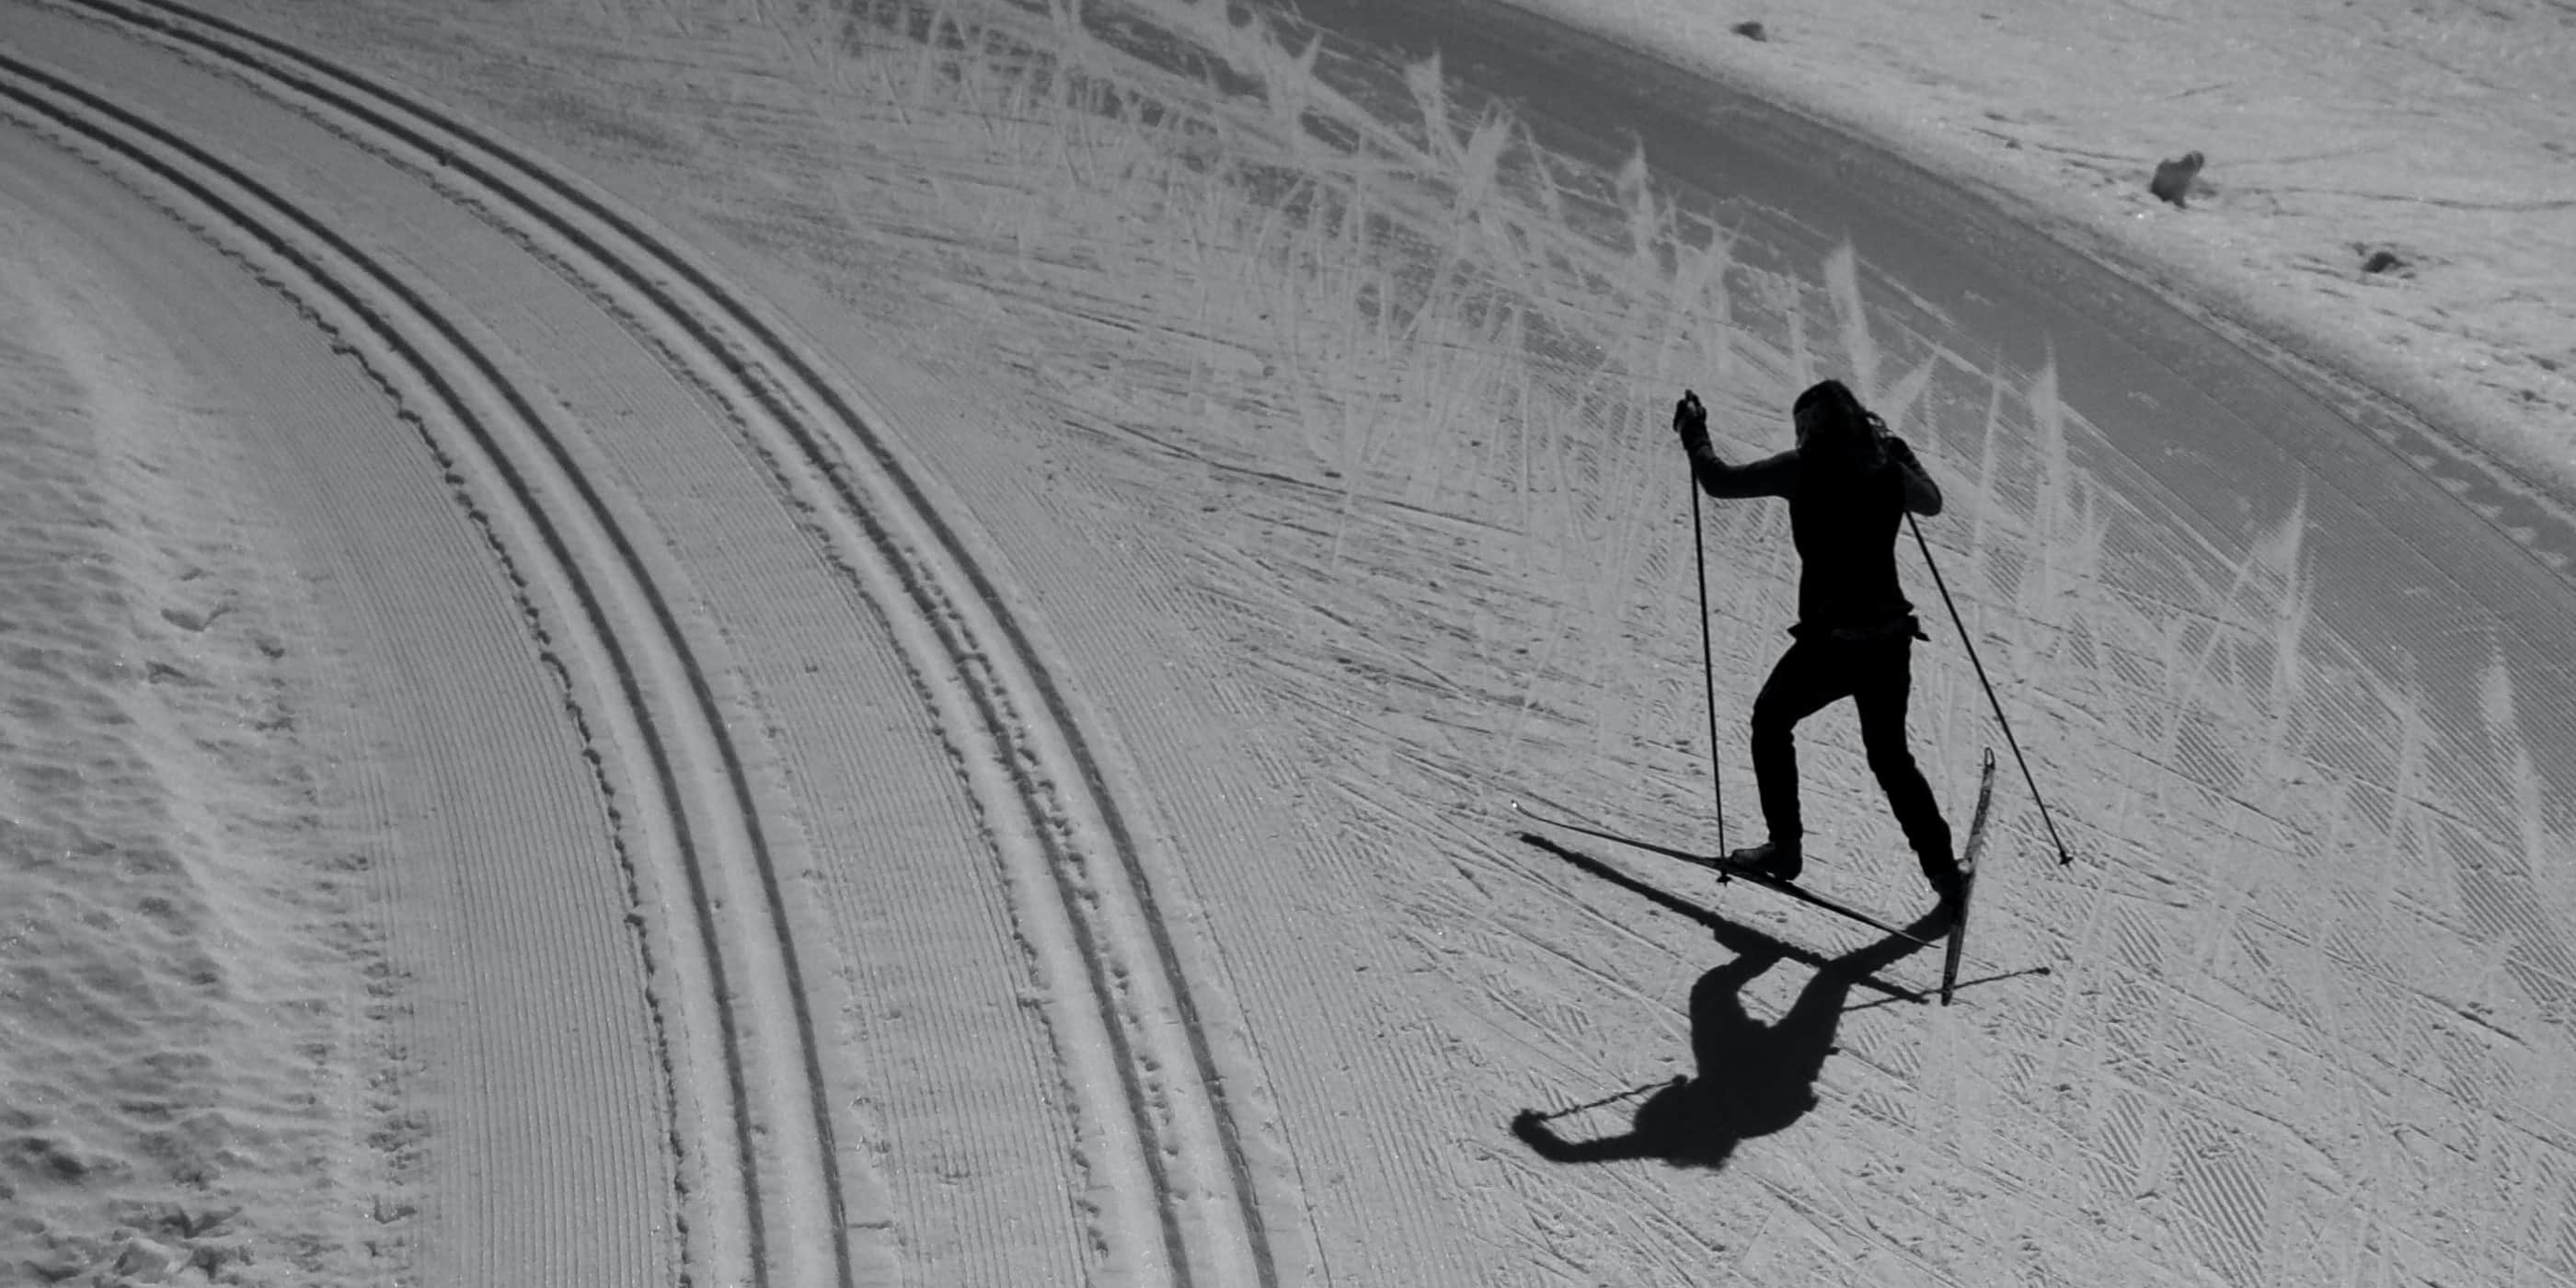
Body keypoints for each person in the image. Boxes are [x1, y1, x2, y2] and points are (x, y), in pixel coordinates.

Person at [1672, 379, 1962, 919]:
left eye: (1801, 424)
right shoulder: (1885, 469)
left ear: (1809, 426)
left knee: (1771, 718)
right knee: (1890, 758)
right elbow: (1933, 504)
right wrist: (1902, 454)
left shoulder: (1801, 468)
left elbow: (1717, 482)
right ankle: (1945, 875)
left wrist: (1695, 432)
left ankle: (1785, 848)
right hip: (1888, 639)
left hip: (1833, 643)